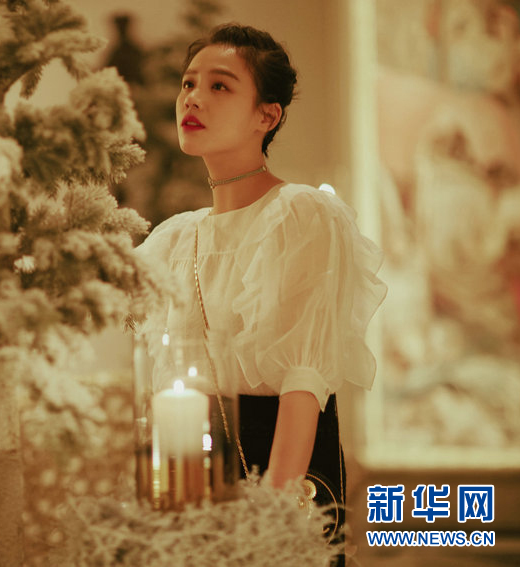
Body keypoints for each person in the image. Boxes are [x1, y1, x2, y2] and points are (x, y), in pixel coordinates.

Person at [136, 23, 387, 565]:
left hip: (282, 477)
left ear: (266, 116)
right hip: (192, 489)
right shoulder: (173, 240)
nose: (193, 98)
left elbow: (304, 378)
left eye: (219, 86)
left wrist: (269, 518)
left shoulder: (300, 214)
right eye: (188, 83)